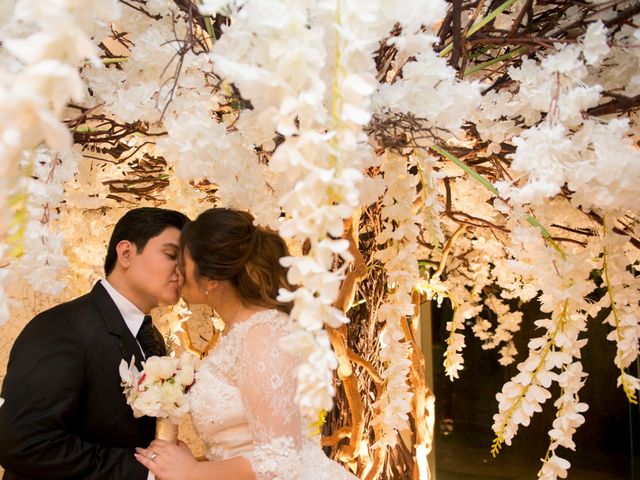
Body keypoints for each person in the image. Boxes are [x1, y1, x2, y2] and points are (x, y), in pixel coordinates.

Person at [135, 207, 357, 480]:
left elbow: (281, 458)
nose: (177, 272)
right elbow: (245, 445)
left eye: (182, 261)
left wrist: (192, 472)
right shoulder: (239, 331)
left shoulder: (264, 332)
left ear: (211, 278)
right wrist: (197, 464)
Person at [0, 207, 189, 480]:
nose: (180, 270)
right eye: (171, 255)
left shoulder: (152, 338)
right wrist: (145, 471)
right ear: (125, 254)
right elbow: (23, 443)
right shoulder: (60, 328)